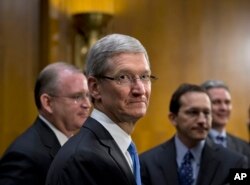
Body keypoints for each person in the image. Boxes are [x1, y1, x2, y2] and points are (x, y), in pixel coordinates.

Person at [45, 33, 156, 185]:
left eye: (144, 77)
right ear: (95, 88)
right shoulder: (83, 159)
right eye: (123, 77)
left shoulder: (120, 148)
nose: (140, 89)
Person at [0, 62, 91, 185]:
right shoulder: (25, 156)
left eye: (88, 96)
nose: (87, 105)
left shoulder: (78, 144)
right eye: (77, 97)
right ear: (47, 103)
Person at [140, 83, 247, 185]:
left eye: (206, 113)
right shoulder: (147, 163)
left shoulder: (236, 163)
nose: (201, 120)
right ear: (173, 118)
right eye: (193, 112)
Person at [201, 80, 250, 167]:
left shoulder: (244, 147)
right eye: (216, 102)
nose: (223, 108)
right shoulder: (193, 143)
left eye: (227, 102)